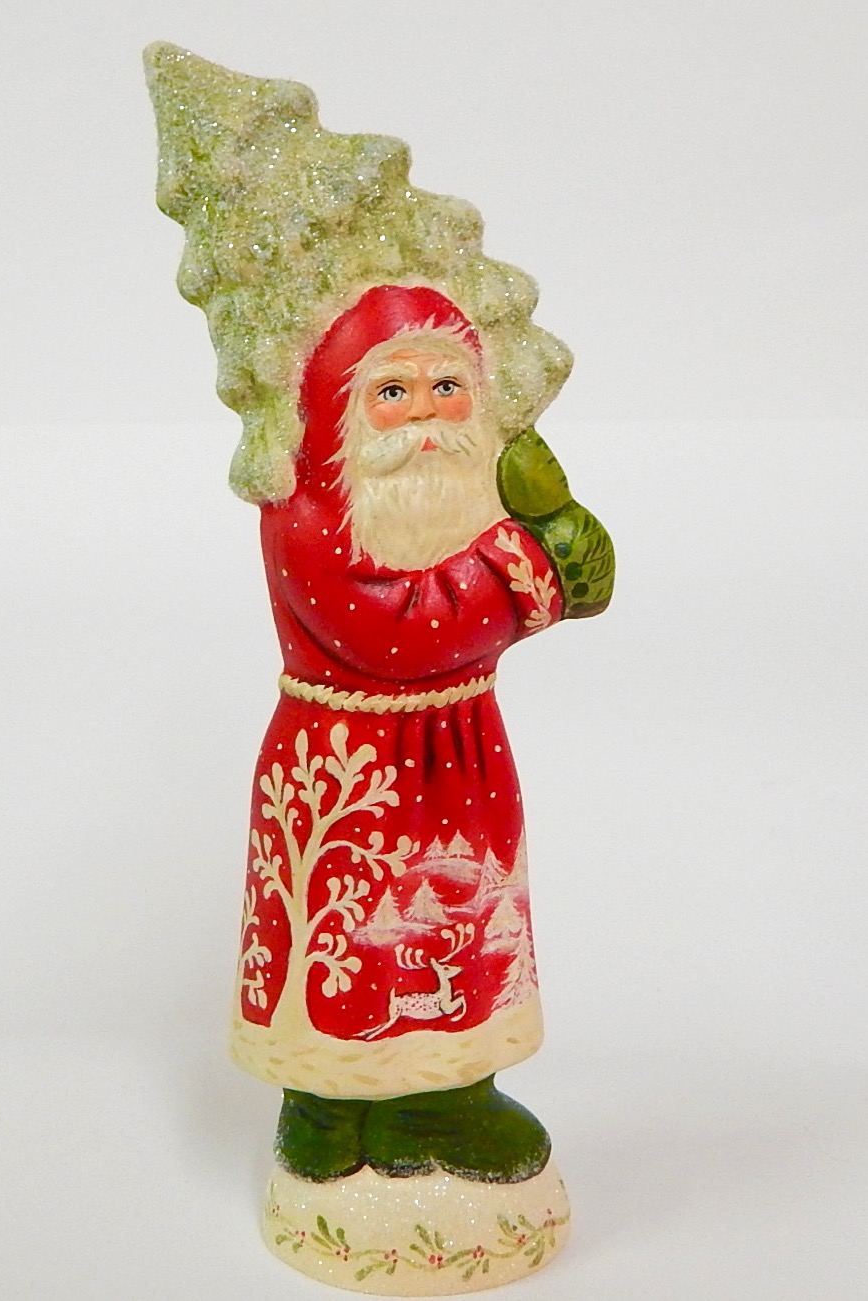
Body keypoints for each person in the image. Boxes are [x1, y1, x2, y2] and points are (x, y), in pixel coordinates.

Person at [229, 284, 613, 1183]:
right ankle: (327, 1107)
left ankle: (440, 1100)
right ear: (340, 410)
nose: (425, 415)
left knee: (461, 922)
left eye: (448, 386)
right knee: (345, 929)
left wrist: (559, 528)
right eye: (392, 392)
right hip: (345, 766)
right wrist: (529, 559)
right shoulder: (307, 513)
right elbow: (394, 632)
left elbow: (572, 582)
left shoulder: (474, 501)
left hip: (463, 754)